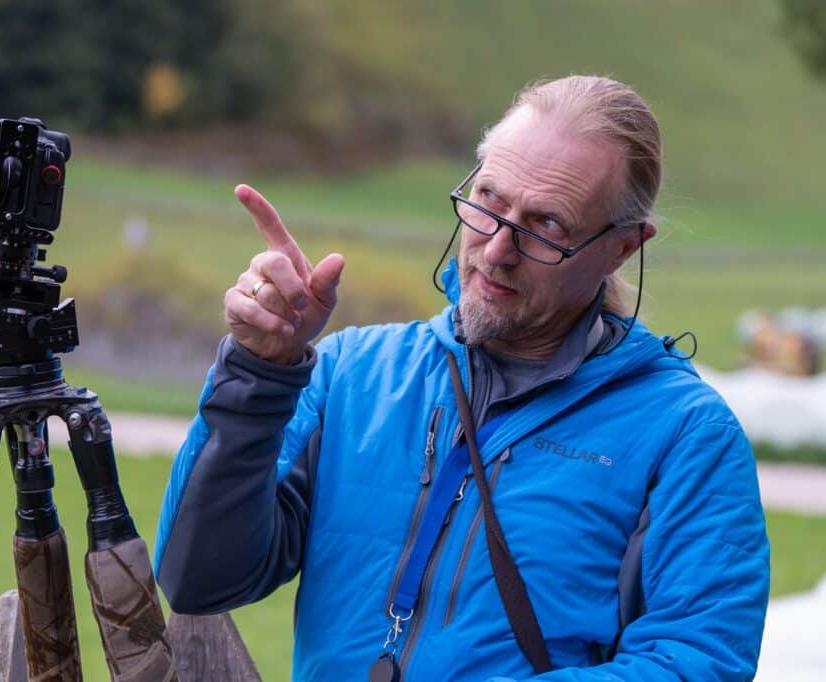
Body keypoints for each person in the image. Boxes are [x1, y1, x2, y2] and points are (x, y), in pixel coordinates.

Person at [154, 76, 770, 680]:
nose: (496, 248)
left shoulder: (685, 435)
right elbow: (199, 577)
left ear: (622, 248)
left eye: (546, 225)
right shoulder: (353, 376)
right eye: (489, 202)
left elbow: (698, 659)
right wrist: (260, 371)